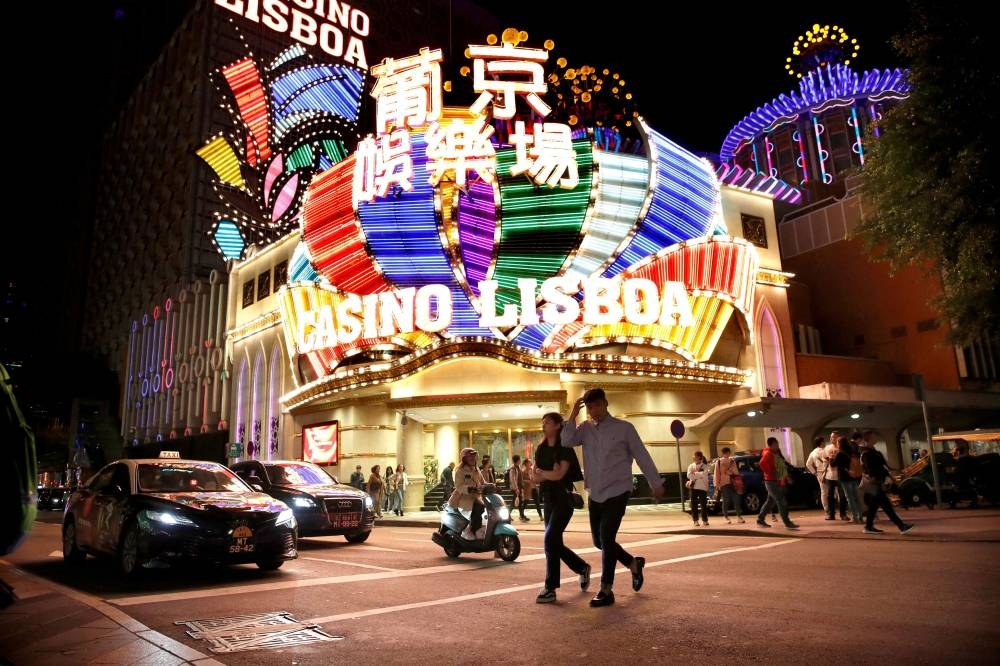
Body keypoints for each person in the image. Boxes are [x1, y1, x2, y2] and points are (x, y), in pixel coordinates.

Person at [562, 388, 664, 607]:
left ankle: (606, 589)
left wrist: (655, 483)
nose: (593, 410)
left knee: (607, 538)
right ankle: (632, 563)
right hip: (595, 491)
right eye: (589, 407)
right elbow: (566, 440)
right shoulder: (584, 429)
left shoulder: (625, 428)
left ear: (605, 404)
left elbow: (641, 455)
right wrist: (572, 414)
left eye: (597, 405)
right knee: (599, 542)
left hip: (618, 489)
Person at [533, 412, 591, 603]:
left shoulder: (564, 448)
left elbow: (560, 476)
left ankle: (550, 587)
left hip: (564, 500)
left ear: (558, 425)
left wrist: (545, 474)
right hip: (548, 499)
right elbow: (535, 477)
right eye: (543, 422)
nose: (544, 425)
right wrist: (547, 473)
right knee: (554, 542)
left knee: (550, 540)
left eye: (548, 422)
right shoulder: (541, 449)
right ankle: (582, 567)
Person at [859, 430, 914, 535]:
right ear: (869, 439)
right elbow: (871, 470)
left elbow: (882, 467)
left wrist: (888, 477)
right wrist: (882, 480)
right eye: (874, 436)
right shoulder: (867, 453)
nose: (876, 438)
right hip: (876, 483)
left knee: (874, 506)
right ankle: (901, 526)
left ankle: (868, 526)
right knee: (886, 506)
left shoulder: (873, 452)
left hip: (878, 482)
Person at [756, 437, 799, 530]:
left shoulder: (775, 453)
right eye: (775, 444)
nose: (777, 446)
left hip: (775, 480)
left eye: (777, 444)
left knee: (770, 501)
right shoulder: (768, 454)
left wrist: (786, 477)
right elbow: (761, 463)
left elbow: (781, 467)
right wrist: (770, 472)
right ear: (770, 445)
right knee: (781, 500)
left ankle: (760, 519)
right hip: (771, 481)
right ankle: (787, 522)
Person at [449, 448, 487, 540]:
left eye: (474, 456)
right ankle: (468, 530)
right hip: (462, 498)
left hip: (476, 497)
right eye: (470, 456)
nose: (473, 458)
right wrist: (468, 489)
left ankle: (477, 529)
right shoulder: (460, 470)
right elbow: (458, 486)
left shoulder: (476, 469)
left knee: (483, 509)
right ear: (464, 458)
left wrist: (492, 486)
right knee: (478, 508)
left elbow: (482, 482)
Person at [713, 446, 744, 524]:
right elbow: (716, 474)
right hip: (724, 483)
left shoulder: (732, 460)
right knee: (726, 500)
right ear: (723, 453)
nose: (727, 454)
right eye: (726, 453)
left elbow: (736, 472)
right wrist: (717, 484)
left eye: (728, 453)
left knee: (736, 499)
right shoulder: (719, 462)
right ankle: (726, 516)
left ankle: (738, 516)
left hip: (733, 483)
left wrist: (731, 472)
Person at [805, 435, 830, 516]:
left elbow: (808, 464)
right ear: (822, 442)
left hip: (819, 473)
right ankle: (832, 508)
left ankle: (827, 510)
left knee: (824, 492)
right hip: (830, 472)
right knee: (833, 491)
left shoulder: (813, 452)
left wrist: (814, 473)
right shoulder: (827, 450)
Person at [687, 451, 710, 526]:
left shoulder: (704, 466)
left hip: (702, 487)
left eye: (695, 455)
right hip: (693, 487)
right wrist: (698, 475)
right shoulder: (691, 466)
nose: (693, 457)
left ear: (699, 457)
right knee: (694, 505)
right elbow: (689, 475)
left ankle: (705, 520)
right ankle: (695, 520)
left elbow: (704, 474)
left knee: (703, 504)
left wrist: (695, 474)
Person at [506, 455, 528, 521]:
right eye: (520, 459)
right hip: (516, 488)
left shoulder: (517, 467)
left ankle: (521, 515)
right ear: (518, 460)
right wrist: (516, 489)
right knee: (514, 502)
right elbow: (513, 479)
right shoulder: (513, 468)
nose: (520, 461)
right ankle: (509, 515)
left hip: (518, 487)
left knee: (519, 502)